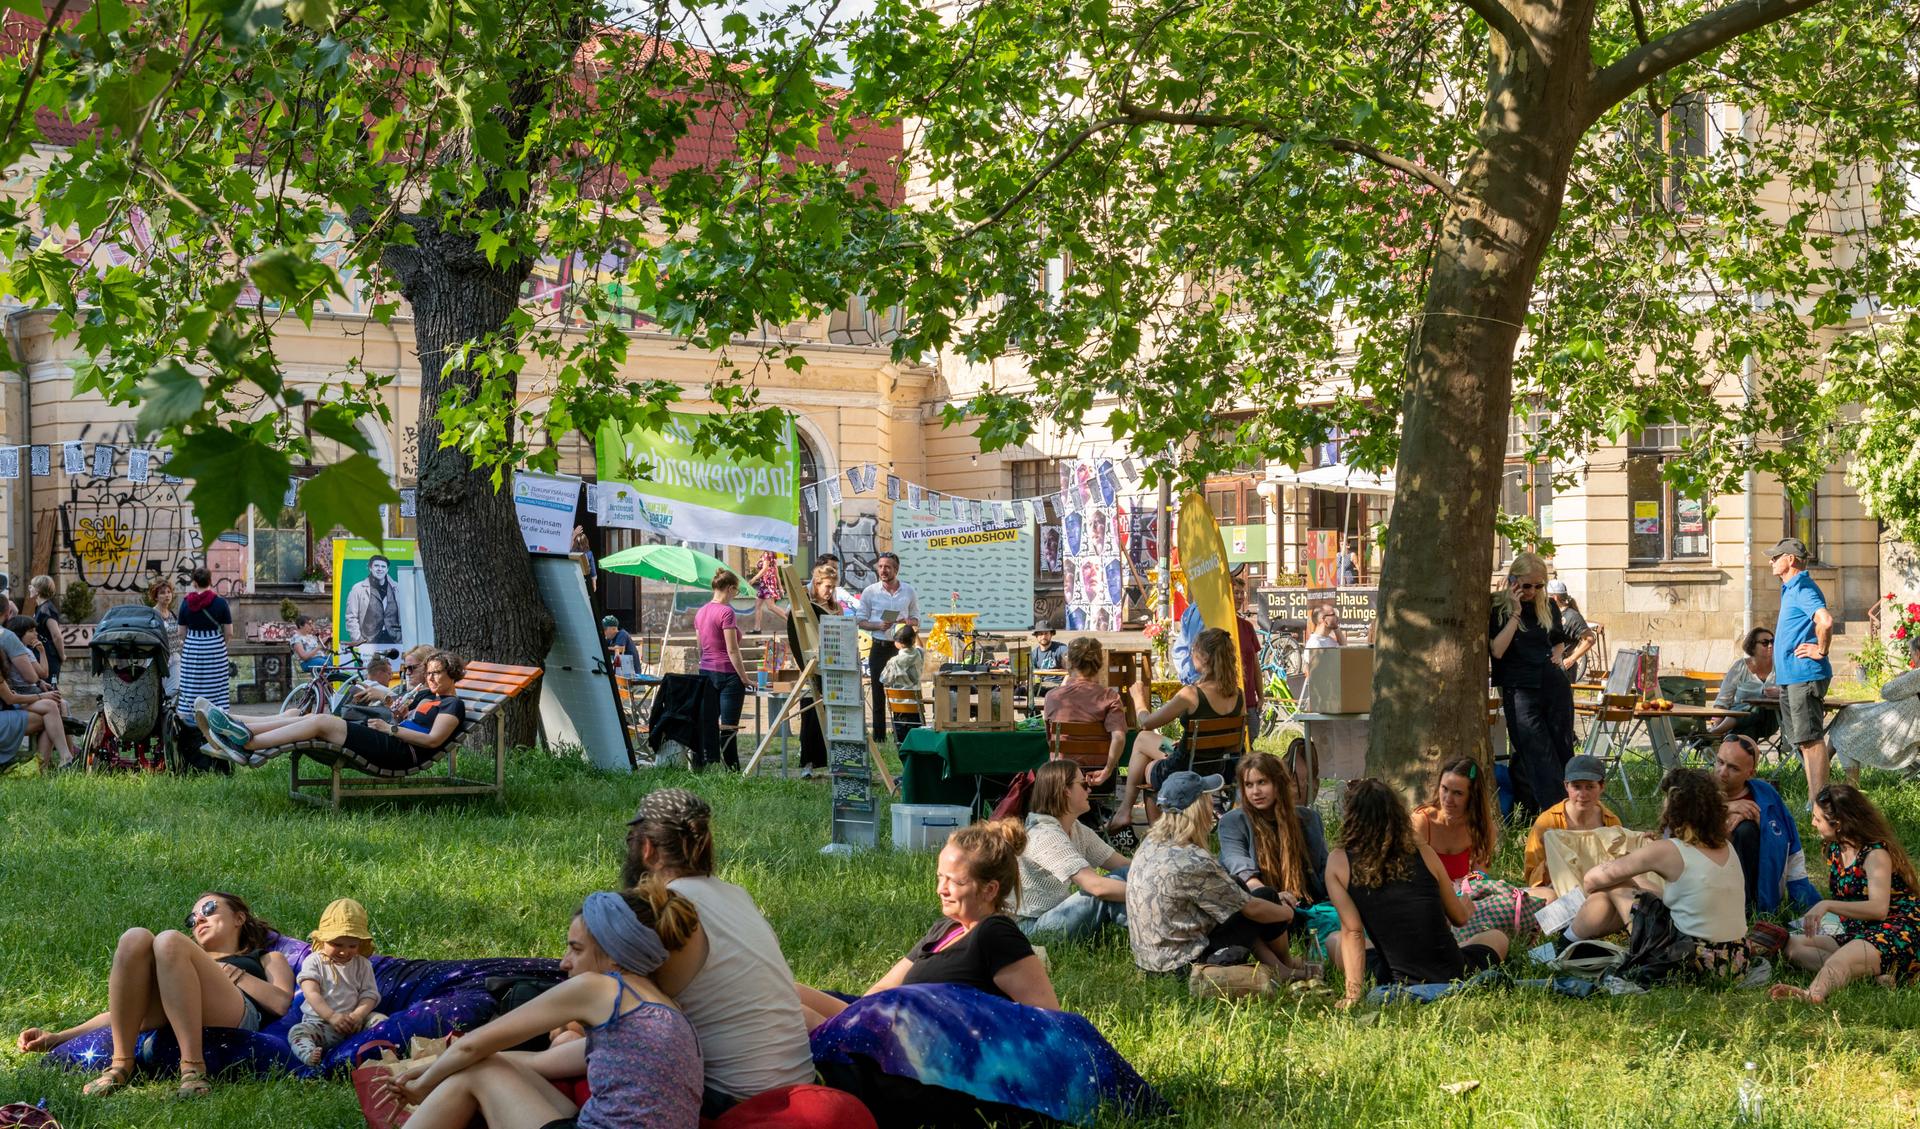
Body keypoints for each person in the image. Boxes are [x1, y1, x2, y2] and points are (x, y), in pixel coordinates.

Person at [381, 880, 702, 1129]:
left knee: (476, 1072)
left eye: (576, 949)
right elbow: (538, 1062)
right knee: (486, 1065)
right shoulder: (669, 1012)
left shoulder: (600, 988)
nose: (564, 963)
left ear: (613, 952)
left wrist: (423, 1085)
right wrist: (435, 1066)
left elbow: (474, 1047)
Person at [621, 789, 815, 1115]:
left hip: (732, 1099)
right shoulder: (736, 895)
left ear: (647, 849)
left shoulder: (663, 909)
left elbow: (620, 1013)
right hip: (801, 1081)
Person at [15, 891, 294, 1098]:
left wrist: (236, 974)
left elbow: (282, 1004)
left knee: (168, 939)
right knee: (134, 937)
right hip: (177, 1009)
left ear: (239, 917)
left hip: (236, 1012)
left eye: (209, 908)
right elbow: (124, 1013)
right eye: (192, 918)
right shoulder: (176, 960)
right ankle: (121, 1065)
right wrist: (57, 1038)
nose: (199, 919)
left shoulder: (267, 957)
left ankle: (193, 1069)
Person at [799, 819, 1059, 1025]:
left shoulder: (995, 933)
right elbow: (883, 987)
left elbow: (1049, 1017)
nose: (940, 889)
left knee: (792, 1014)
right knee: (781, 992)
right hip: (878, 1026)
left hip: (913, 1052)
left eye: (955, 882)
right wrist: (856, 1021)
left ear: (990, 890)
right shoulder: (946, 928)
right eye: (939, 877)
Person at [1325, 779, 1509, 1004]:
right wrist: (1467, 906)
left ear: (1350, 817)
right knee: (1497, 937)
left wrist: (1352, 996)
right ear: (1396, 814)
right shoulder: (1423, 851)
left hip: (1395, 980)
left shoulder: (1338, 862)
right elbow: (1458, 918)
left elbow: (1352, 932)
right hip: (1452, 973)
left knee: (1334, 941)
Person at [1567, 769, 1749, 976]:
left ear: (1674, 806)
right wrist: (1636, 878)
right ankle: (1570, 942)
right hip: (1736, 960)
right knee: (1634, 886)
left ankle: (1564, 942)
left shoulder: (1669, 850)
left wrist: (1614, 880)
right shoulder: (1726, 846)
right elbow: (1680, 901)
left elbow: (1592, 878)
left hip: (1689, 960)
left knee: (1615, 887)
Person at [1125, 771, 1304, 977]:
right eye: (1209, 798)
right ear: (1199, 807)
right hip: (1183, 967)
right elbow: (1253, 910)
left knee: (1237, 885)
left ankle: (1280, 968)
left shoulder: (1150, 843)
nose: (1212, 805)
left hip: (1150, 963)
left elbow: (1233, 895)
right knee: (1266, 897)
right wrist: (1287, 913)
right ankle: (1285, 965)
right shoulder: (1193, 860)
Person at [195, 651, 467, 771]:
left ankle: (248, 743)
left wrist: (391, 728)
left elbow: (432, 740)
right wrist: (398, 715)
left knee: (322, 722)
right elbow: (410, 723)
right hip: (391, 739)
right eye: (428, 673)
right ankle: (236, 724)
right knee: (304, 717)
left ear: (452, 674)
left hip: (399, 752)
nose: (430, 678)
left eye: (437, 674)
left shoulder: (452, 705)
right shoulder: (425, 697)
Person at [1772, 784, 1920, 1004]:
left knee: (1843, 957)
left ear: (1838, 824)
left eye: (1818, 819)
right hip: (1861, 930)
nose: (1813, 823)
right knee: (1793, 946)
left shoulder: (1875, 854)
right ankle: (1873, 976)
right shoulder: (1835, 849)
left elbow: (1879, 909)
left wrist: (1828, 905)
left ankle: (1813, 994)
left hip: (1898, 928)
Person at [1109, 626, 1243, 833]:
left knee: (1147, 760)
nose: (1191, 654)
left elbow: (1147, 722)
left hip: (1184, 765)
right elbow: (1235, 746)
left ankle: (1130, 813)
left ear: (1205, 657)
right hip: (1216, 767)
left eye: (1193, 650)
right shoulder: (1238, 695)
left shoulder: (1191, 694)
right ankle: (1126, 812)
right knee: (1145, 739)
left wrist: (1138, 699)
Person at [1490, 551, 1576, 822]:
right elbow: (1497, 651)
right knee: (1536, 753)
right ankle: (1555, 816)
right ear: (1512, 579)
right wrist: (1515, 615)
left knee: (1563, 750)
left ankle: (1562, 812)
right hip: (1519, 688)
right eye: (1527, 585)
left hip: (1552, 684)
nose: (1532, 591)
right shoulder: (1498, 607)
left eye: (1539, 585)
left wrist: (1559, 654)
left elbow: (1558, 639)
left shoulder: (1546, 605)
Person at [1013, 760, 1130, 938]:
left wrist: (1163, 874)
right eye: (1083, 784)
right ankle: (1161, 940)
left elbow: (1122, 864)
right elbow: (1096, 886)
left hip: (1057, 915)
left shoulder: (1074, 828)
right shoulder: (1045, 835)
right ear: (1065, 790)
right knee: (1104, 894)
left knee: (1126, 874)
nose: (1089, 790)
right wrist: (1156, 891)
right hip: (1032, 928)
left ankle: (1164, 933)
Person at [1714, 735, 1819, 915]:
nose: (1722, 772)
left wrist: (1763, 828)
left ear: (1751, 773)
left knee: (1746, 830)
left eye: (1733, 768)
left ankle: (1747, 908)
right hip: (1709, 876)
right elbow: (1676, 813)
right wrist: (1725, 808)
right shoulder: (1699, 787)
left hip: (1752, 881)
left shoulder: (1765, 796)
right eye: (1720, 762)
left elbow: (1787, 842)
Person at [1768, 536, 1836, 799]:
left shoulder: (1802, 587)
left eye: (1776, 557)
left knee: (1811, 740)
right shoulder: (1789, 588)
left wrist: (1821, 650)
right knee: (1803, 742)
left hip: (1804, 675)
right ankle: (1814, 801)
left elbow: (1826, 621)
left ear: (1790, 560)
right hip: (1792, 676)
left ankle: (1821, 803)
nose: (1772, 561)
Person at [1217, 751, 1329, 905]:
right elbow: (1244, 873)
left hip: (1308, 901)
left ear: (1279, 784)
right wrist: (1274, 899)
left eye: (1262, 782)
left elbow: (1325, 870)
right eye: (1249, 785)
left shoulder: (1309, 819)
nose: (1255, 792)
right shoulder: (1232, 822)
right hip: (1260, 904)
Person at [287, 898, 384, 1066]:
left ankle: (379, 1049)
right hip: (322, 1025)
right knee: (297, 1032)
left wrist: (358, 1015)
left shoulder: (362, 964)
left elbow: (369, 995)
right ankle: (309, 1054)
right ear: (323, 940)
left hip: (355, 1023)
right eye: (336, 944)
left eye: (352, 946)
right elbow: (311, 992)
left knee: (381, 1020)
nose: (344, 952)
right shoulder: (314, 962)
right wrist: (331, 1016)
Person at [1521, 754, 1623, 891]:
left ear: (1602, 786)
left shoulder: (1611, 822)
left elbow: (1623, 866)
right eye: (1576, 787)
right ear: (1566, 786)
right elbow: (1531, 878)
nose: (1583, 794)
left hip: (1601, 891)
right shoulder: (1547, 822)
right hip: (1558, 892)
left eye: (1590, 787)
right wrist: (1552, 860)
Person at [1041, 636, 1126, 786]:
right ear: (1099, 664)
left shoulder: (1052, 697)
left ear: (1070, 663)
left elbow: (1050, 740)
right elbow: (1118, 738)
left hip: (1061, 777)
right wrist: (1107, 770)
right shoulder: (1110, 697)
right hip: (1098, 777)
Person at [785, 563, 844, 780]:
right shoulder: (803, 608)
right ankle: (808, 763)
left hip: (833, 668)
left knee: (834, 718)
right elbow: (797, 638)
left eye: (833, 588)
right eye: (827, 587)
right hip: (811, 668)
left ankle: (835, 761)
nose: (830, 591)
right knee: (810, 717)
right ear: (817, 584)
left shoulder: (837, 608)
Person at [857, 552, 919, 742]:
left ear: (896, 569)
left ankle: (902, 734)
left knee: (901, 691)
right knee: (877, 691)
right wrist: (878, 625)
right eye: (880, 566)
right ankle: (879, 736)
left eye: (887, 567)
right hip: (879, 645)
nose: (883, 570)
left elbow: (917, 619)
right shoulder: (870, 591)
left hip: (901, 649)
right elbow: (860, 620)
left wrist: (906, 622)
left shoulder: (908, 591)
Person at [694, 569, 750, 772]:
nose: (736, 595)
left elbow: (700, 647)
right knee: (729, 726)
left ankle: (704, 765)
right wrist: (745, 678)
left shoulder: (700, 612)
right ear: (729, 588)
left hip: (706, 672)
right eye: (736, 591)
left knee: (707, 723)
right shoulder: (727, 612)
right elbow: (732, 650)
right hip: (728, 675)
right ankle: (733, 769)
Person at [1409, 757, 1497, 883]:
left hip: (1461, 898)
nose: (1448, 799)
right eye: (1444, 789)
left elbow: (1479, 881)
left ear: (1473, 797)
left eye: (1457, 793)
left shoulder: (1481, 828)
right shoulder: (1421, 823)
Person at [0, 616, 71, 770]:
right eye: (31, 631)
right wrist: (41, 692)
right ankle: (53, 761)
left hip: (16, 700)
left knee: (55, 706)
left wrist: (40, 684)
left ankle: (63, 758)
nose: (36, 634)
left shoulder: (20, 653)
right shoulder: (24, 652)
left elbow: (39, 678)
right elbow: (39, 674)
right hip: (14, 703)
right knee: (56, 707)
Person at [174, 567, 233, 738]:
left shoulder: (185, 603)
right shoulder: (220, 603)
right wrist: (221, 645)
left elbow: (180, 633)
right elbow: (229, 632)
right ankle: (217, 716)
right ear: (210, 581)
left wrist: (192, 642)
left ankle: (191, 718)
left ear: (194, 582)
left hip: (192, 647)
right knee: (217, 684)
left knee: (190, 683)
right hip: (215, 647)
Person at [1705, 626, 1780, 743]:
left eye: (1772, 641)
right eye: (1765, 643)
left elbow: (1793, 691)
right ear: (1752, 646)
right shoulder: (1740, 667)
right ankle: (1738, 756)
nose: (1770, 645)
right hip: (1744, 723)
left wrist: (1780, 693)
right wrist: (1716, 722)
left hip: (1770, 720)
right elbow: (1723, 700)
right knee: (1748, 732)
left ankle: (1716, 733)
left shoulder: (1780, 667)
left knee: (1757, 707)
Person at [345, 553, 404, 648]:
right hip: (369, 642)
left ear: (387, 569)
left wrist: (402, 638)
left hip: (394, 640)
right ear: (370, 568)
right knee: (371, 664)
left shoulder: (397, 588)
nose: (380, 569)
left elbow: (405, 616)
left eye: (383, 566)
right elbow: (351, 617)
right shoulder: (358, 589)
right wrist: (358, 640)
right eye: (376, 566)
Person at [1545, 580, 1597, 682]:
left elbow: (1590, 639)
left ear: (1554, 597)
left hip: (1562, 668)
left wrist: (1571, 659)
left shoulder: (1572, 616)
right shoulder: (1551, 613)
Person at [1231, 571, 1262, 739]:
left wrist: (1261, 696)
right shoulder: (1219, 625)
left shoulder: (1247, 627)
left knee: (1252, 738)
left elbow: (1255, 665)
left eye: (1242, 593)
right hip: (1228, 701)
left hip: (1249, 700)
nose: (1240, 597)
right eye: (1236, 592)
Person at [28, 574, 61, 685]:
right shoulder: (41, 608)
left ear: (38, 590)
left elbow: (56, 636)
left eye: (31, 586)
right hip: (42, 656)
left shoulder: (47, 609)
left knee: (51, 689)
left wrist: (62, 656)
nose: (29, 587)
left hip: (49, 657)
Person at [747, 550, 786, 632]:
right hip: (765, 583)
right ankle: (757, 628)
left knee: (770, 606)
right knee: (758, 605)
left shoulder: (767, 554)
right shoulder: (772, 554)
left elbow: (765, 569)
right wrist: (780, 587)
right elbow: (776, 572)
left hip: (767, 583)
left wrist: (754, 579)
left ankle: (791, 621)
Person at [880, 623, 925, 691]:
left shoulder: (894, 661)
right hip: (915, 700)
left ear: (899, 643)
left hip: (896, 700)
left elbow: (884, 679)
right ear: (913, 640)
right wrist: (916, 634)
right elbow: (920, 647)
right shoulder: (919, 654)